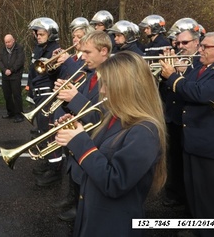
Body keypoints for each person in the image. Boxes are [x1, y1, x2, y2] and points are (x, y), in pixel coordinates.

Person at [55, 51, 167, 236]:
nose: (102, 90)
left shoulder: (145, 132)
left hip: (114, 224)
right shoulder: (115, 117)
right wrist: (74, 132)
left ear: (127, 86)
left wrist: (79, 142)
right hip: (93, 213)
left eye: (107, 83)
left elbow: (115, 182)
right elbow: (98, 153)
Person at [161, 32, 214, 237]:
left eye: (205, 47)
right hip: (193, 142)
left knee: (210, 198)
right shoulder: (202, 68)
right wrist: (171, 72)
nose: (200, 50)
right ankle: (198, 228)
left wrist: (173, 77)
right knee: (194, 192)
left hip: (211, 145)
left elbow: (200, 93)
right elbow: (182, 91)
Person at [53, 30, 112, 220]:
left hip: (98, 141)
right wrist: (65, 102)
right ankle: (77, 203)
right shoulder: (91, 73)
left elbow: (104, 117)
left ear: (104, 51)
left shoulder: (113, 77)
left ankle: (83, 210)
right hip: (83, 134)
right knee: (76, 171)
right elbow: (82, 105)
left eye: (87, 52)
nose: (82, 56)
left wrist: (75, 98)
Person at [158, 18, 201, 210]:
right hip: (173, 116)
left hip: (191, 120)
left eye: (185, 43)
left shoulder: (201, 61)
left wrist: (181, 72)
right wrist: (163, 74)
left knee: (190, 164)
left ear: (197, 43)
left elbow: (198, 89)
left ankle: (189, 201)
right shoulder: (175, 58)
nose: (180, 46)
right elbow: (164, 89)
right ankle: (175, 193)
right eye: (178, 43)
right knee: (173, 158)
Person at [26, 17, 61, 186]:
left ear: (51, 34)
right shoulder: (40, 49)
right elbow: (33, 72)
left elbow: (54, 74)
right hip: (39, 95)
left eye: (41, 34)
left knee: (50, 132)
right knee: (42, 131)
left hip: (48, 95)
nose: (38, 37)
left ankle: (55, 171)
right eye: (37, 34)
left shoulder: (55, 50)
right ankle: (49, 161)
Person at [0, 34, 25, 123]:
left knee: (16, 95)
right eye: (6, 42)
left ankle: (19, 114)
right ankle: (10, 112)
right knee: (7, 95)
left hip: (15, 75)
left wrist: (11, 70)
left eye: (9, 42)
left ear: (13, 40)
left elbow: (20, 61)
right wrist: (4, 70)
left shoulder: (19, 48)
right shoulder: (3, 50)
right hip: (5, 75)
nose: (7, 44)